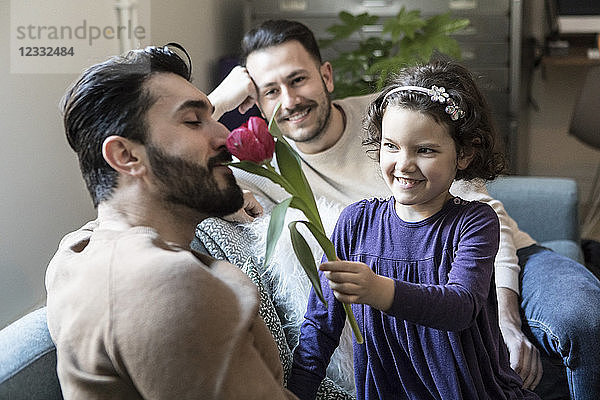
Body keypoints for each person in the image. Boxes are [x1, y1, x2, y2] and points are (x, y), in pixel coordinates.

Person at [210, 19, 600, 399]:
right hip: (398, 280)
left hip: (500, 256)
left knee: (585, 319)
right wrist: (215, 104)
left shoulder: (400, 107)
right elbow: (166, 170)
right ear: (256, 100)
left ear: (326, 76)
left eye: (297, 80)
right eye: (271, 91)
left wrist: (505, 316)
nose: (290, 101)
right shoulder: (265, 169)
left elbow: (479, 224)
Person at [45, 44, 296, 399]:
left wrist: (204, 180)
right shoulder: (168, 285)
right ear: (126, 155)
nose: (226, 136)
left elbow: (124, 198)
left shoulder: (74, 254)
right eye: (194, 121)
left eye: (212, 117)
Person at [288, 59, 539, 400]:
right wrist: (293, 393)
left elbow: (461, 306)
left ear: (463, 154)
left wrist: (379, 290)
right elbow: (320, 327)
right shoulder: (354, 223)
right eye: (391, 146)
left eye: (424, 150)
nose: (404, 164)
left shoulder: (475, 223)